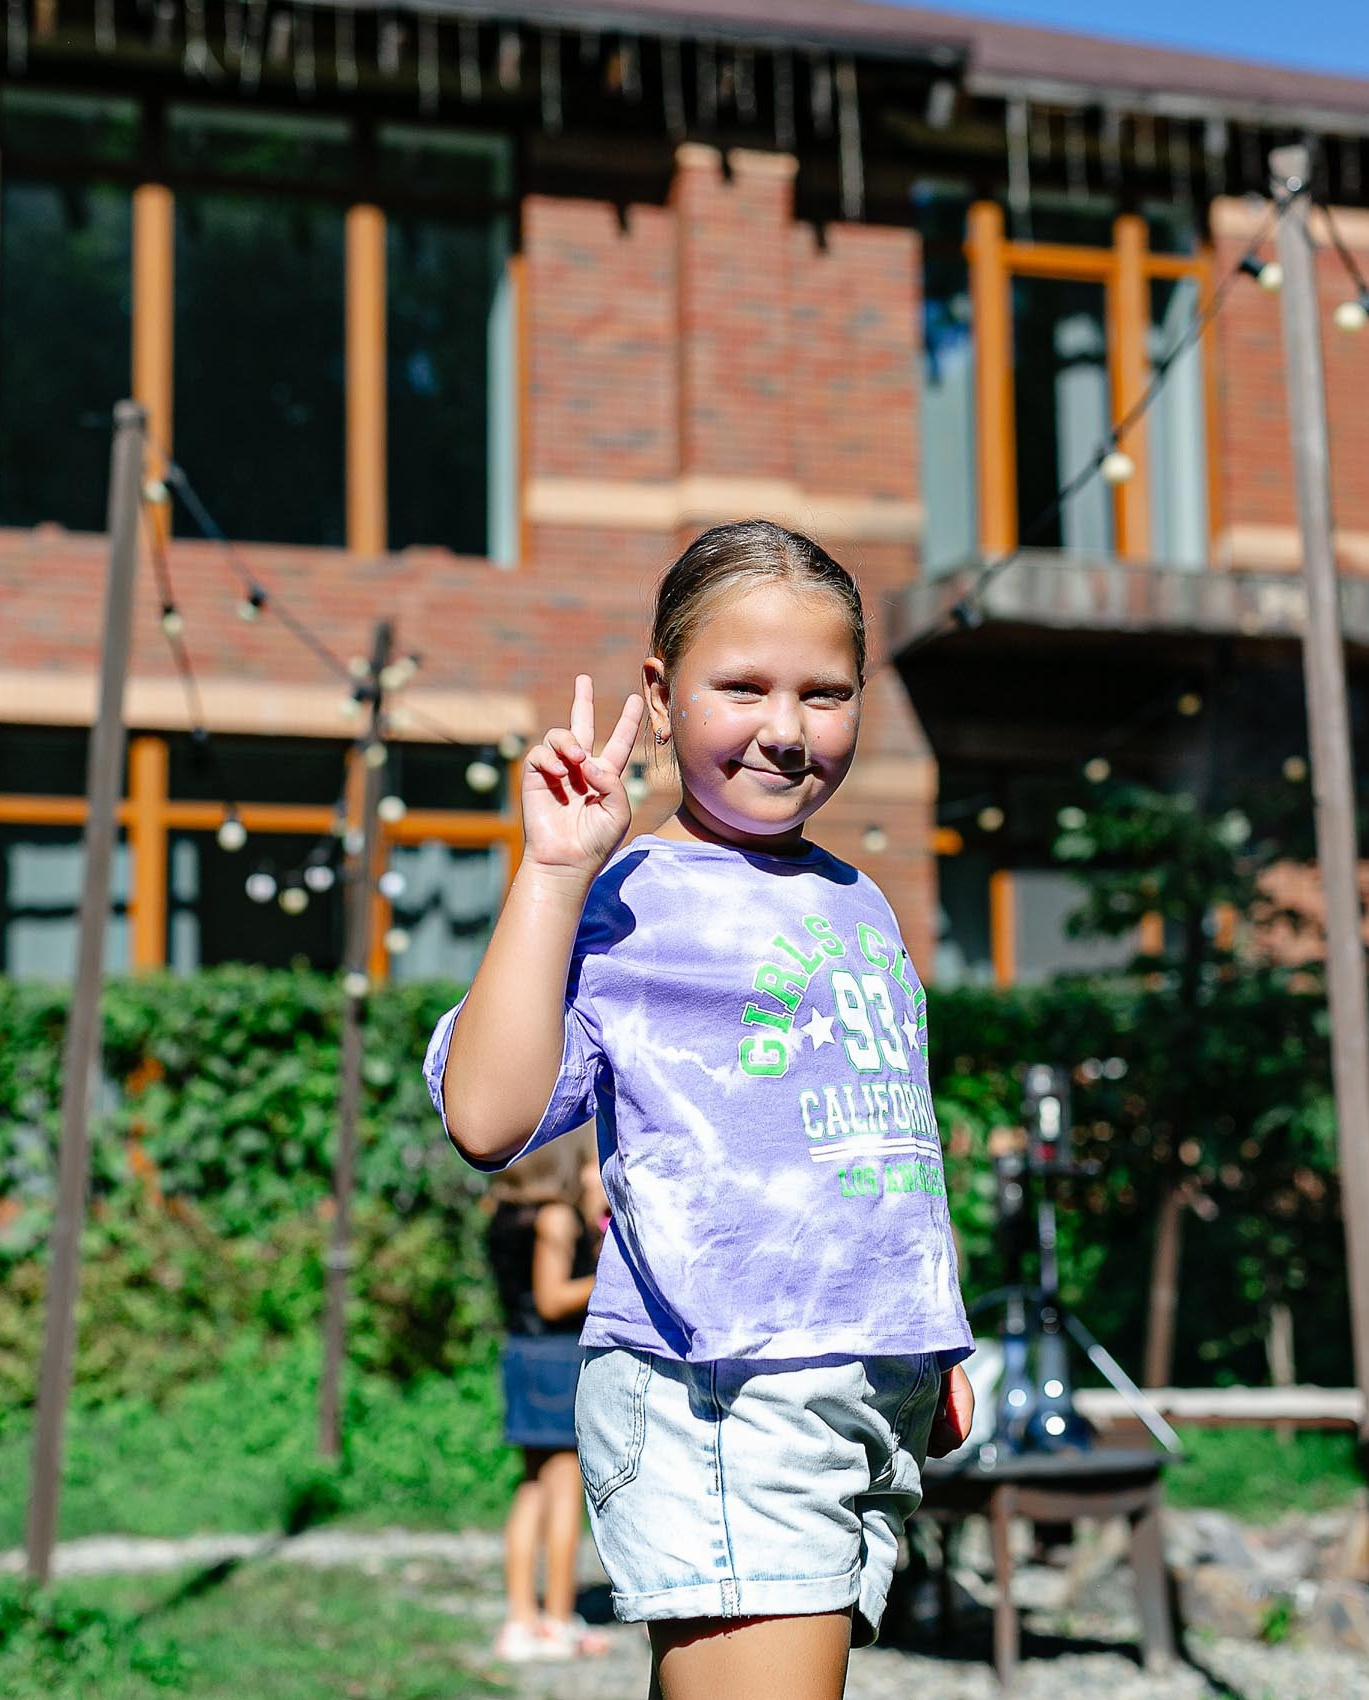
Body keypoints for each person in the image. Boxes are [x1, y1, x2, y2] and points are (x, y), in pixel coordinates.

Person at [428, 519, 976, 1700]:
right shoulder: (632, 895)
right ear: (660, 694)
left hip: (858, 1381)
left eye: (825, 692)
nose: (787, 727)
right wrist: (557, 872)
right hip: (726, 1387)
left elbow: (881, 1137)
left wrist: (932, 1331)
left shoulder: (859, 898)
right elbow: (485, 1114)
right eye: (745, 686)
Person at [484, 1130, 615, 1663]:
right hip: (555, 1360)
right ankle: (557, 1619)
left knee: (533, 1486)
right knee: (565, 1491)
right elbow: (553, 1296)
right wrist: (612, 1271)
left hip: (521, 1353)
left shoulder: (502, 1211)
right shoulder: (555, 1218)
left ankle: (522, 1619)